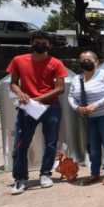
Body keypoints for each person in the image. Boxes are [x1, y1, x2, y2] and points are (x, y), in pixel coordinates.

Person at [7, 31, 68, 195]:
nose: (40, 44)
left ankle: (45, 174)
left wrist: (37, 99)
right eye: (37, 41)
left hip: (50, 107)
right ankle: (20, 178)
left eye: (44, 42)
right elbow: (13, 83)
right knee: (21, 143)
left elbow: (60, 88)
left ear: (49, 45)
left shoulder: (56, 63)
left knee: (51, 143)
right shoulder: (18, 60)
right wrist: (20, 93)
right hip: (27, 108)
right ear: (31, 43)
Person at [68, 51, 104, 185]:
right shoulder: (77, 78)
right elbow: (71, 96)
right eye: (83, 60)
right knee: (93, 147)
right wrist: (77, 108)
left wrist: (96, 105)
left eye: (89, 59)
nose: (85, 62)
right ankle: (94, 173)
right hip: (89, 117)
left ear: (96, 62)